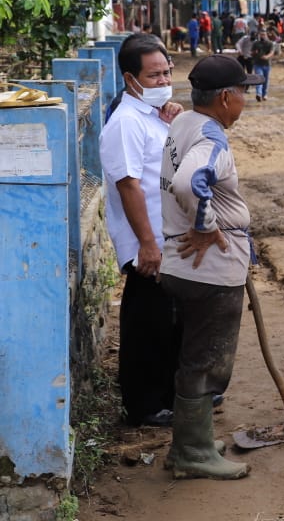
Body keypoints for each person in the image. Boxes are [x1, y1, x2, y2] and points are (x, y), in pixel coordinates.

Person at [158, 54, 264, 479]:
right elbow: (189, 182)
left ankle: (191, 442)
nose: (246, 100)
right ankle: (193, 453)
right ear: (224, 97)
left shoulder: (183, 123)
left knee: (193, 357)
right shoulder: (212, 139)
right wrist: (206, 225)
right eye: (243, 93)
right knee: (208, 363)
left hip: (180, 266)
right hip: (210, 267)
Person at [100, 33, 184, 427]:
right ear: (130, 79)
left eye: (167, 72)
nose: (164, 81)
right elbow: (129, 184)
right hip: (147, 244)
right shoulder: (124, 123)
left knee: (167, 322)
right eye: (154, 76)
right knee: (146, 326)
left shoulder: (151, 116)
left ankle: (167, 396)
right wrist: (147, 243)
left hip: (166, 240)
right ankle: (144, 405)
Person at [250, 30, 273, 101]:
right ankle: (258, 94)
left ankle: (264, 94)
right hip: (257, 64)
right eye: (261, 35)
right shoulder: (256, 43)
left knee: (265, 80)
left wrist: (267, 57)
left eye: (264, 35)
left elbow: (271, 52)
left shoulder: (269, 43)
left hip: (266, 64)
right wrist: (254, 52)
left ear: (266, 35)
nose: (262, 36)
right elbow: (251, 52)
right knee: (259, 79)